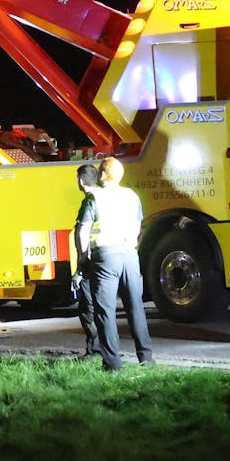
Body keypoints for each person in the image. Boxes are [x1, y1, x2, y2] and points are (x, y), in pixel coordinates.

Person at [89, 156, 154, 370]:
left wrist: (83, 256)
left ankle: (112, 363)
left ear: (102, 174)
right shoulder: (132, 196)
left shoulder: (95, 197)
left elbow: (82, 231)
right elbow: (138, 226)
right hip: (129, 254)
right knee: (135, 307)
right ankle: (146, 357)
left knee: (105, 311)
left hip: (106, 255)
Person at [70, 163, 102, 358]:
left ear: (81, 181)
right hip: (106, 257)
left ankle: (94, 350)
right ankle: (107, 350)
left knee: (87, 307)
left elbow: (83, 232)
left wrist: (80, 268)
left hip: (90, 261)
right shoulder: (108, 197)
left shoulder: (90, 201)